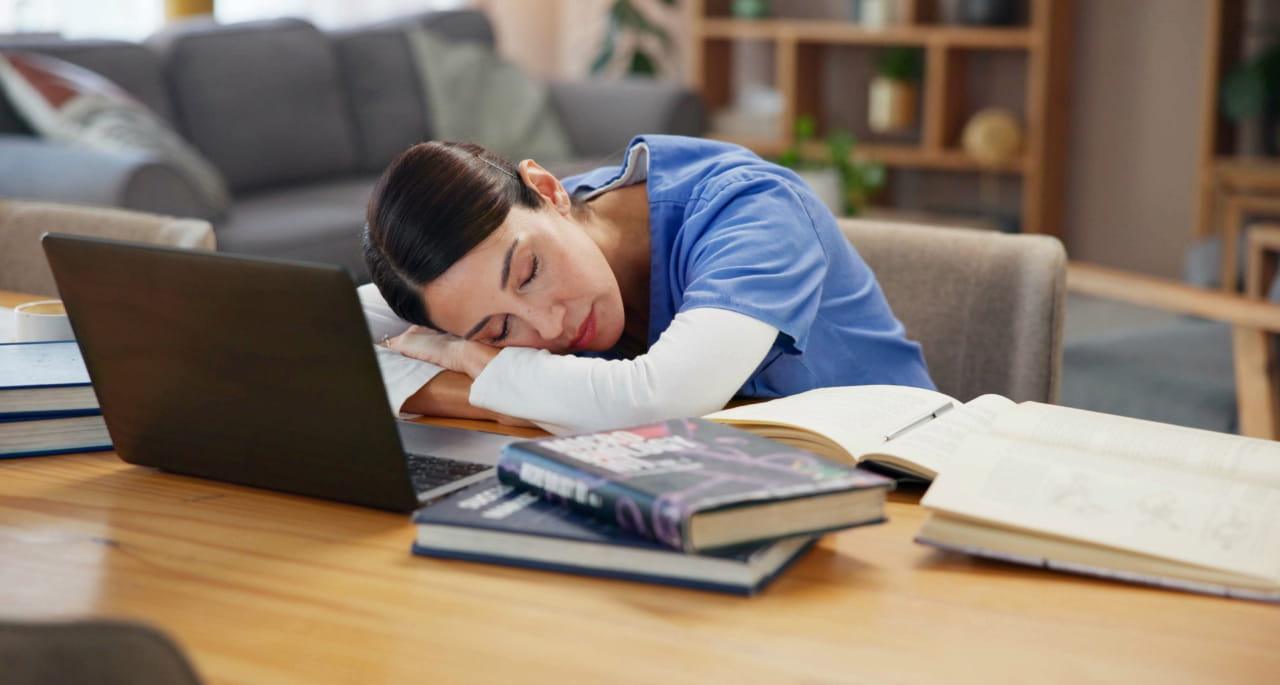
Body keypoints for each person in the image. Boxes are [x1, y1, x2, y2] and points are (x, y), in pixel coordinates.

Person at [360, 135, 933, 434]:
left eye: (530, 272)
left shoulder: (751, 210)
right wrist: (511, 401)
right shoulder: (540, 224)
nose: (551, 325)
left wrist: (465, 356)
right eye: (499, 329)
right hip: (727, 488)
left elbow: (658, 399)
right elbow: (330, 329)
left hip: (902, 482)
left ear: (549, 190)